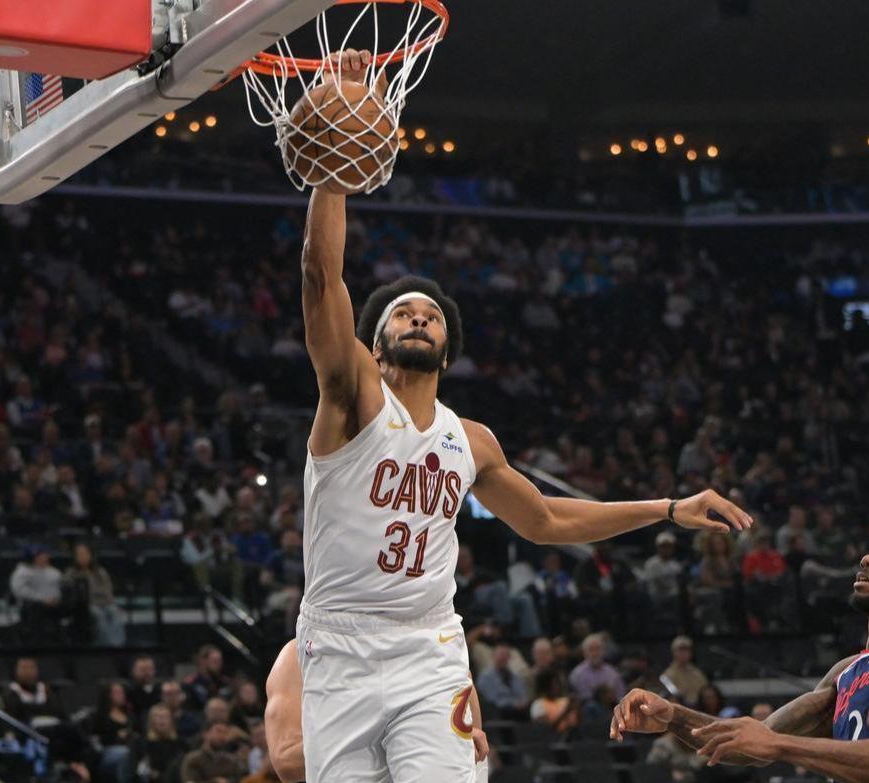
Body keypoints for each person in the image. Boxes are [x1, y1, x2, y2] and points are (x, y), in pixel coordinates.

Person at [294, 48, 752, 783]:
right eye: (402, 313)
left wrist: (668, 507)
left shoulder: (470, 441)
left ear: (448, 350)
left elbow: (547, 520)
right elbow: (322, 276)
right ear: (373, 345)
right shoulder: (352, 396)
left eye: (431, 315)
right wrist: (335, 167)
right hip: (338, 647)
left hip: (428, 651)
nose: (419, 317)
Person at [613, 524, 869, 782]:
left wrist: (781, 746)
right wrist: (672, 716)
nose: (867, 558)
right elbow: (748, 744)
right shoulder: (847, 672)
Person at [262, 639, 488, 783]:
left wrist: (454, 744)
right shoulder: (301, 653)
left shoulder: (438, 647)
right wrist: (393, 730)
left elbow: (475, 745)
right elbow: (285, 761)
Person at [133, 704, 188, 783]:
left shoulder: (181, 743)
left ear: (171, 720)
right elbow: (140, 769)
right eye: (158, 717)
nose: (162, 720)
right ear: (151, 721)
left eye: (165, 717)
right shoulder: (141, 743)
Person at [179, 720, 246, 783]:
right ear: (205, 734)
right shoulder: (193, 760)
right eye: (218, 731)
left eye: (225, 733)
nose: (222, 736)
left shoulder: (231, 761)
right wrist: (215, 781)